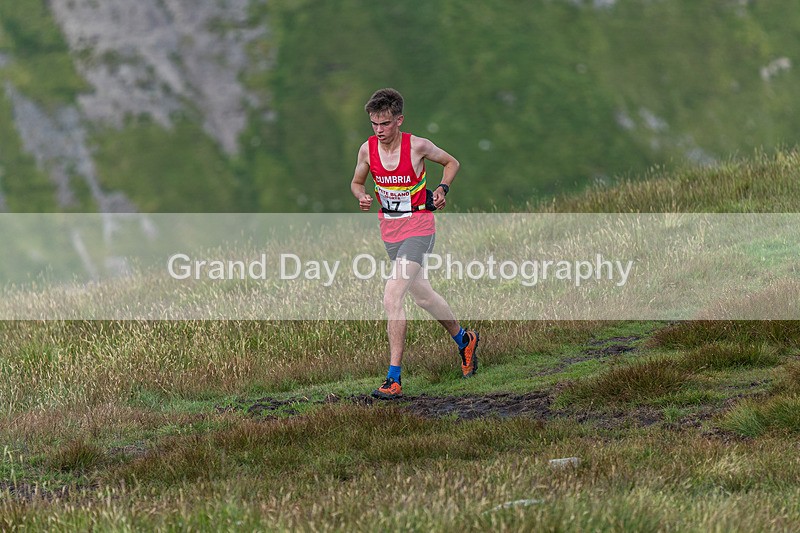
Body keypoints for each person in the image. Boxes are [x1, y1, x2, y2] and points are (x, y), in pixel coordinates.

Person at [350, 88, 479, 400]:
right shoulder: (367, 150)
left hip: (420, 228)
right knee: (423, 297)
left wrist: (442, 189)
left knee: (392, 295)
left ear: (399, 120)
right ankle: (464, 339)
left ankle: (393, 379)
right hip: (390, 232)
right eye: (374, 124)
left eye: (385, 123)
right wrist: (362, 196)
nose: (379, 130)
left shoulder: (417, 146)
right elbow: (356, 182)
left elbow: (452, 163)